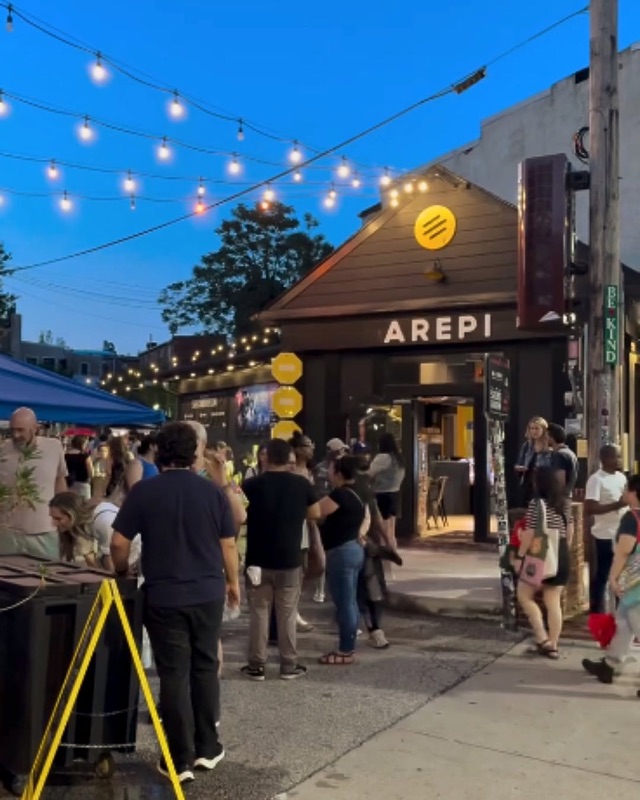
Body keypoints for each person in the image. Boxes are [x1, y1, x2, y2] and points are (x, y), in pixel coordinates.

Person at [110, 422, 240, 784]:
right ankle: (208, 747)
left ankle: (178, 759)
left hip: (164, 594)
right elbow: (228, 543)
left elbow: (119, 542)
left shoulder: (145, 491)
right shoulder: (211, 492)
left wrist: (121, 571)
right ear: (194, 453)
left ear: (159, 452)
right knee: (205, 666)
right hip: (208, 592)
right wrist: (233, 582)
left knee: (173, 674)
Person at [241, 438, 321, 681]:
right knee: (287, 613)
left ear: (266, 457)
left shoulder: (250, 485)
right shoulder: (301, 484)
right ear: (289, 459)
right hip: (289, 559)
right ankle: (288, 664)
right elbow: (315, 513)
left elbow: (240, 514)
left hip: (257, 560)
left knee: (259, 612)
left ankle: (256, 665)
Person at [582, 474, 640, 684]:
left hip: (634, 585)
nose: (623, 492)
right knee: (623, 624)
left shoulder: (631, 518)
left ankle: (611, 664)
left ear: (634, 493)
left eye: (626, 489)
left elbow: (623, 552)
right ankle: (610, 664)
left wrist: (613, 578)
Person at [515, 466, 573, 660]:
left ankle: (542, 638)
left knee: (524, 595)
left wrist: (519, 556)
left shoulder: (536, 504)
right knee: (553, 601)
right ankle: (553, 645)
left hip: (541, 555)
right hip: (561, 554)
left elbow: (531, 534)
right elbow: (570, 531)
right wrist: (561, 551)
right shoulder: (565, 503)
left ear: (538, 483)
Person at [318, 455, 368, 665]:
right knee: (350, 601)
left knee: (344, 602)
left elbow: (316, 510)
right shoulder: (358, 493)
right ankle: (348, 645)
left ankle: (346, 650)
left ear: (339, 473)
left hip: (342, 552)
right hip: (354, 549)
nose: (328, 472)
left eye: (330, 469)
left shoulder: (340, 495)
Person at [0, 407, 68, 558]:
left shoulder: (54, 447)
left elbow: (60, 481)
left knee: (47, 571)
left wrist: (65, 513)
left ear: (34, 428)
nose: (16, 435)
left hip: (44, 532)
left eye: (21, 430)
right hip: (7, 533)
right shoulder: (2, 450)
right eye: (12, 430)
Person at [584, 444, 627, 614]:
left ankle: (622, 612)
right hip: (605, 535)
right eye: (616, 456)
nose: (619, 460)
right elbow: (590, 508)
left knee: (622, 575)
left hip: (622, 534)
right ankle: (597, 611)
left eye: (620, 456)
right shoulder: (596, 479)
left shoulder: (621, 477)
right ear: (604, 458)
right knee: (603, 574)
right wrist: (617, 505)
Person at [49, 491, 139, 572]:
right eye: (53, 518)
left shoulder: (104, 521)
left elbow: (111, 568)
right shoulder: (82, 523)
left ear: (72, 515)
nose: (53, 523)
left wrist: (88, 554)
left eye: (58, 519)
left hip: (137, 553)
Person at [369, 432, 405, 561]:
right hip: (395, 494)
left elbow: (370, 472)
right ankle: (393, 551)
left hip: (382, 494)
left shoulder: (383, 458)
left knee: (382, 529)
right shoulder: (398, 458)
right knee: (391, 529)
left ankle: (385, 553)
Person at [515, 416, 551, 507]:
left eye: (537, 428)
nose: (534, 431)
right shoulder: (527, 446)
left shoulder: (549, 445)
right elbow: (519, 462)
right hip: (528, 483)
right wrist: (519, 468)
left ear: (543, 429)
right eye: (532, 428)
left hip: (543, 484)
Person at [547, 423, 578, 497]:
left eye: (546, 436)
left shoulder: (560, 455)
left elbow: (560, 482)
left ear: (551, 438)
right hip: (567, 496)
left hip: (560, 498)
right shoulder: (570, 453)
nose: (544, 439)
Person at [64, 435, 94, 500]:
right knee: (84, 504)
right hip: (82, 484)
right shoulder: (85, 456)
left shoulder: (65, 456)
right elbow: (91, 472)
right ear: (82, 444)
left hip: (68, 483)